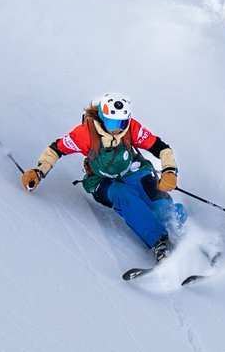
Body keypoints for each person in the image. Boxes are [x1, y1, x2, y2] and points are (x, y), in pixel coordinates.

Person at [22, 93, 186, 262]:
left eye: (121, 123)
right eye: (111, 122)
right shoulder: (85, 133)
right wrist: (39, 171)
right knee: (124, 196)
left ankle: (186, 234)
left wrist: (169, 171)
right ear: (101, 117)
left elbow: (163, 149)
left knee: (163, 208)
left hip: (134, 171)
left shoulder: (131, 128)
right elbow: (55, 150)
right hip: (101, 180)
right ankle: (161, 242)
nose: (116, 128)